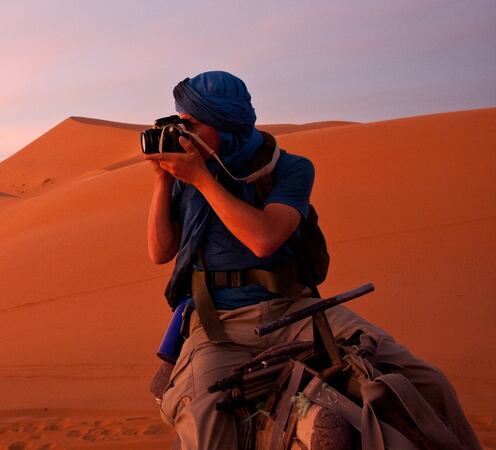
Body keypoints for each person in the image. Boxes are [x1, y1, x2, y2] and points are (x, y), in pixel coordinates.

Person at [144, 71, 481, 449]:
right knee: (205, 425)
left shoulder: (289, 168)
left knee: (428, 382)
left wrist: (203, 180)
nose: (179, 134)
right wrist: (163, 181)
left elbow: (264, 239)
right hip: (218, 325)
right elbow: (160, 252)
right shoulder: (187, 176)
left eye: (188, 124)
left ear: (223, 124)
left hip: (298, 311)